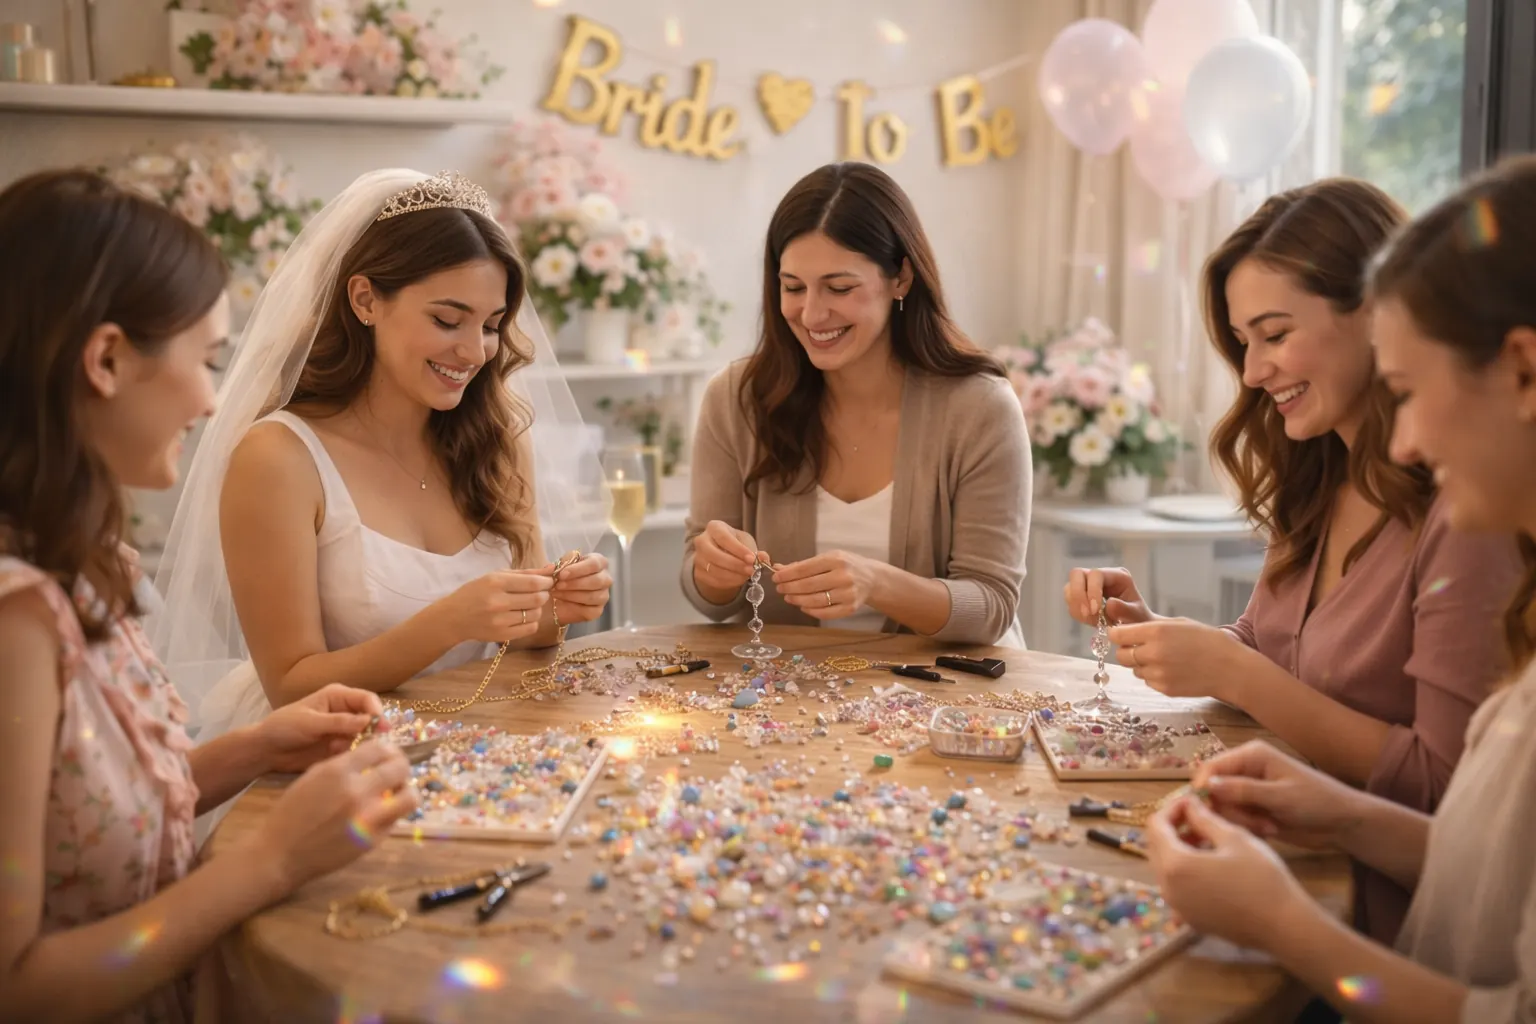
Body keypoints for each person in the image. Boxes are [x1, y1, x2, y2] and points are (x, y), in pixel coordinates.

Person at [0, 169, 417, 1022]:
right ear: (107, 359)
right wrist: (271, 862)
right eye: (206, 358)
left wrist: (256, 747)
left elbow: (76, 825)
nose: (213, 397)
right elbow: (17, 986)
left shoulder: (75, 563)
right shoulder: (16, 620)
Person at [1061, 178, 1519, 942]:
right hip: (1280, 864)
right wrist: (1166, 634)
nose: (1251, 372)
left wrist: (1236, 673)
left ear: (1377, 317)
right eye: (1243, 343)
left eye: (1275, 335)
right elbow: (1273, 653)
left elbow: (1443, 788)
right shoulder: (1319, 474)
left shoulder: (1469, 515)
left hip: (1380, 918)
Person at [150, 169, 612, 746]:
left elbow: (524, 637)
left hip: (481, 744)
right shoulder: (279, 458)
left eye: (492, 326)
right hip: (329, 758)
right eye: (447, 320)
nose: (474, 352)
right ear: (366, 300)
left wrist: (560, 605)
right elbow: (290, 687)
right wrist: (451, 621)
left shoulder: (496, 436)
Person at [683, 162, 1030, 646]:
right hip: (787, 697)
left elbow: (992, 606)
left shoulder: (979, 408)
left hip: (952, 696)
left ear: (901, 278)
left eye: (839, 288)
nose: (811, 313)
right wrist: (713, 571)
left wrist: (878, 584)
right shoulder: (736, 399)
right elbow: (705, 598)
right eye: (793, 287)